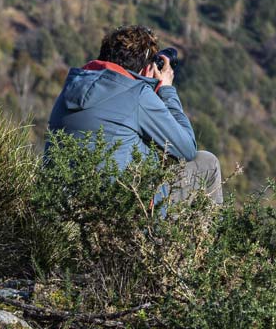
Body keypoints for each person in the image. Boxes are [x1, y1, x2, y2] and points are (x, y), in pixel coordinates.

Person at [47, 24, 223, 205]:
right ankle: (205, 234)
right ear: (146, 68)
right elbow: (187, 148)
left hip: (60, 203)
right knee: (207, 163)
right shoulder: (137, 94)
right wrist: (166, 90)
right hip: (120, 211)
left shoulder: (71, 86)